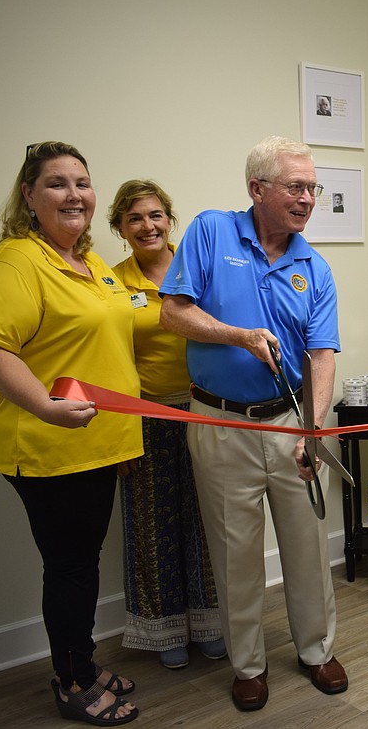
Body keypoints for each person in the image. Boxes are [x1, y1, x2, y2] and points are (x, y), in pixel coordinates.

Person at [159, 136, 346, 712]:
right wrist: (237, 335)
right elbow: (174, 312)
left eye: (313, 188)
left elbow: (322, 356)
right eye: (296, 186)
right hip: (219, 422)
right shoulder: (212, 231)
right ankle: (248, 664)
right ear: (257, 189)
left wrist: (314, 429)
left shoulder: (314, 267)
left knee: (308, 544)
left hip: (291, 421)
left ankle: (316, 650)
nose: (308, 198)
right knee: (235, 550)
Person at [0, 141, 142, 725]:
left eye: (83, 183)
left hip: (97, 444)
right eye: (58, 183)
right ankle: (73, 683)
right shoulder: (15, 264)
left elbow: (112, 339)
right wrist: (43, 406)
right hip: (49, 447)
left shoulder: (91, 266)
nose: (74, 195)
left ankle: (81, 663)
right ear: (28, 195)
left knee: (81, 562)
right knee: (70, 567)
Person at [108, 180, 226, 670]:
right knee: (153, 524)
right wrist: (120, 432)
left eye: (155, 215)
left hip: (204, 407)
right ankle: (165, 629)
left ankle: (211, 623)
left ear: (169, 219)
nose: (147, 226)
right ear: (119, 227)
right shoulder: (110, 283)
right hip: (147, 415)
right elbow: (108, 358)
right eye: (134, 218)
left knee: (207, 518)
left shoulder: (198, 265)